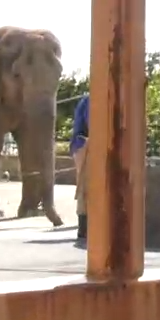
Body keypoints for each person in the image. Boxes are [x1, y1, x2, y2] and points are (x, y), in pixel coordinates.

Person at [68, 93, 91, 248]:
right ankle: (84, 227)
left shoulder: (86, 99)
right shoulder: (93, 100)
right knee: (87, 185)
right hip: (86, 144)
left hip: (80, 144)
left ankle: (84, 227)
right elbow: (93, 124)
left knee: (84, 184)